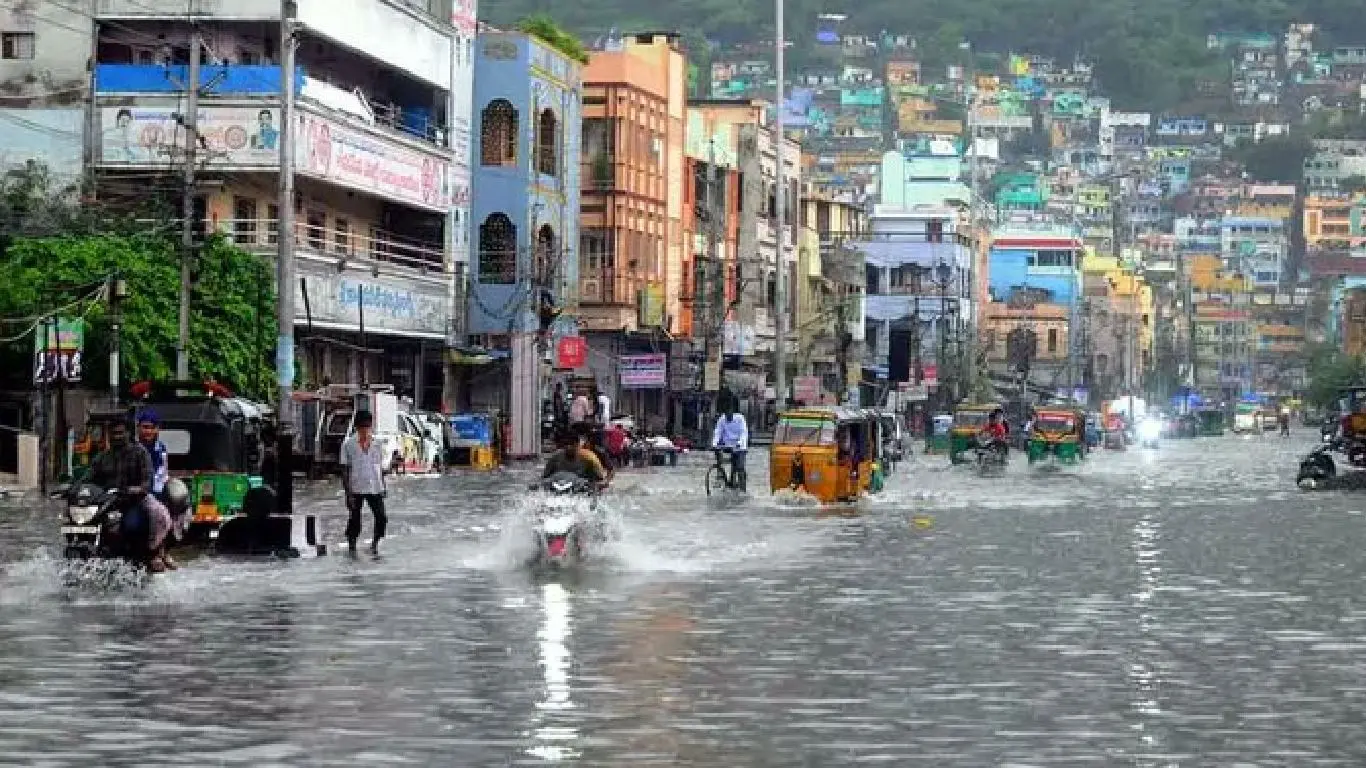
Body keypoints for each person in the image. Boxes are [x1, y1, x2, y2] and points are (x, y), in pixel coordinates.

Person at [89, 421, 158, 568]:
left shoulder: (140, 453)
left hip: (132, 503)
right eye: (114, 434)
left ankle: (140, 560)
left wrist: (133, 490)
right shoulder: (103, 457)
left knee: (132, 526)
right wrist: (73, 488)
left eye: (121, 433)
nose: (117, 437)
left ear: (128, 434)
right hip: (106, 504)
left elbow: (147, 482)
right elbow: (89, 478)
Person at [135, 411, 179, 571]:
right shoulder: (133, 447)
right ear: (138, 428)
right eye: (143, 427)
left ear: (157, 429)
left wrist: (157, 491)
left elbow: (162, 471)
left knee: (174, 506)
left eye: (150, 428)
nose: (147, 431)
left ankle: (162, 550)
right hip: (134, 489)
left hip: (155, 489)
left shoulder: (160, 448)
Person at [340, 410, 388, 555]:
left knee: (381, 517)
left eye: (367, 427)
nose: (365, 430)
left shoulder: (377, 444)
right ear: (356, 427)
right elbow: (344, 470)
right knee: (355, 520)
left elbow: (380, 467)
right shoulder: (348, 445)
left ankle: (375, 544)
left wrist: (384, 486)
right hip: (356, 487)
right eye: (362, 427)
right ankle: (352, 546)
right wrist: (348, 494)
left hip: (375, 486)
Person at [541, 427, 608, 486]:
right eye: (566, 444)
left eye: (572, 444)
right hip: (560, 486)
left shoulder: (590, 458)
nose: (568, 447)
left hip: (582, 488)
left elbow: (601, 481)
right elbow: (545, 477)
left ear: (577, 445)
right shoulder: (556, 457)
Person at [711, 408, 749, 488]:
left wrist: (739, 443)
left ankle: (742, 487)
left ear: (732, 413)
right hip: (728, 445)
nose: (727, 417)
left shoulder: (740, 418)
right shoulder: (722, 419)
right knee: (717, 452)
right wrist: (714, 444)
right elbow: (718, 431)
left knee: (740, 467)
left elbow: (743, 433)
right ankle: (720, 473)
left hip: (740, 446)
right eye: (726, 415)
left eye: (729, 415)